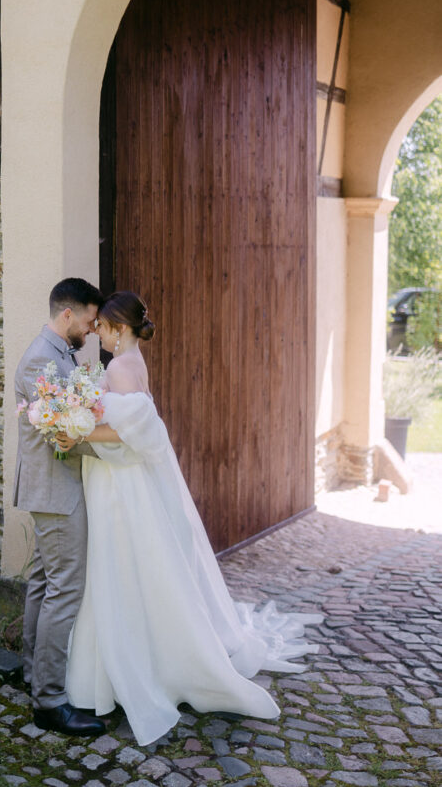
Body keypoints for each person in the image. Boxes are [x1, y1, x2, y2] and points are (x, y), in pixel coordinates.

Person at [61, 291, 323, 747]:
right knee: (139, 566)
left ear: (119, 329)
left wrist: (74, 429)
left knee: (124, 565)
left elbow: (130, 432)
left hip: (122, 485)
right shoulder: (130, 363)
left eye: (102, 326)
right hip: (121, 480)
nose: (96, 333)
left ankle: (146, 667)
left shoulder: (121, 367)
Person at [14, 277, 106, 736]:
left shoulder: (58, 356)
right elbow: (64, 433)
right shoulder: (39, 361)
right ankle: (49, 701)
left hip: (56, 489)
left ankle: (32, 672)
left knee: (45, 582)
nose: (91, 331)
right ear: (67, 315)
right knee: (64, 590)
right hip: (56, 492)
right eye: (89, 322)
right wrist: (114, 447)